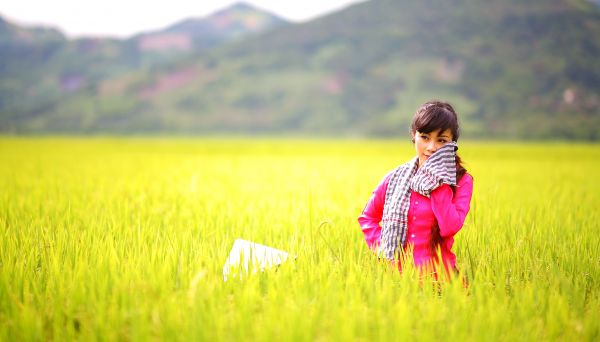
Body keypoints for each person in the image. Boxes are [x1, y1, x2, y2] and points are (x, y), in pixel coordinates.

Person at [358, 100, 473, 279]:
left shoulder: (461, 181)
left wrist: (437, 183)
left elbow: (450, 227)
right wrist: (384, 246)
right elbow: (367, 218)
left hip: (440, 279)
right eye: (425, 137)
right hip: (396, 280)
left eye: (441, 140)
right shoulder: (395, 177)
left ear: (452, 144)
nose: (431, 147)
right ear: (414, 135)